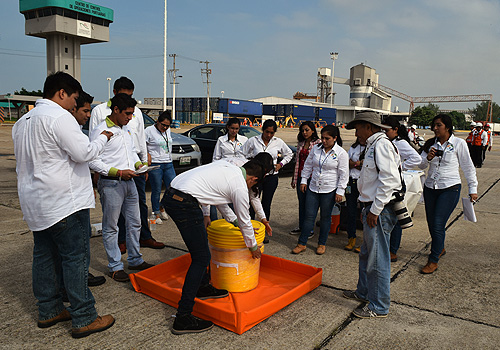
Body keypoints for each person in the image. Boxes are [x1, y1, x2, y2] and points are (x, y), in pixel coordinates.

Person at [12, 72, 115, 338]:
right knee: (75, 258)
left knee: (44, 256)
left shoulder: (22, 122)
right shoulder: (59, 118)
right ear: (61, 93)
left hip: (36, 203)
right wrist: (103, 137)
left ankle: (49, 310)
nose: (74, 105)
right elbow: (84, 153)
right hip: (64, 203)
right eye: (74, 99)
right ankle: (84, 316)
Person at [162, 160, 265, 334]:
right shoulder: (239, 185)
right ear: (253, 179)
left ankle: (202, 286)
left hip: (171, 194)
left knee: (202, 253)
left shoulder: (227, 167)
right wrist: (253, 246)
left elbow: (219, 199)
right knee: (201, 258)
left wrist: (232, 222)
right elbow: (245, 219)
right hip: (185, 203)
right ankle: (183, 317)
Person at [90, 76, 165, 253]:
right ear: (115, 102)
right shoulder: (100, 116)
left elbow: (134, 143)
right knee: (113, 223)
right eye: (127, 114)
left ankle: (137, 253)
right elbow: (93, 152)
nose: (130, 117)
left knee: (137, 216)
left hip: (132, 174)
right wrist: (112, 173)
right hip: (112, 179)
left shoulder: (130, 121)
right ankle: (117, 255)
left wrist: (141, 162)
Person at [89, 93, 155, 282]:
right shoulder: (101, 131)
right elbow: (93, 161)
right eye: (127, 113)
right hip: (111, 183)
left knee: (135, 223)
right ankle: (115, 266)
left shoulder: (125, 129)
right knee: (111, 226)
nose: (130, 118)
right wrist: (117, 172)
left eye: (132, 114)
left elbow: (131, 153)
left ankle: (135, 259)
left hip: (130, 182)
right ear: (115, 110)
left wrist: (139, 166)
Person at [342, 111, 402, 319]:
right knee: (367, 255)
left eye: (358, 127)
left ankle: (379, 306)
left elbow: (390, 181)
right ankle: (364, 292)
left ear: (368, 127)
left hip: (379, 210)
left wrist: (375, 210)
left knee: (377, 260)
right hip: (371, 208)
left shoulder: (381, 145)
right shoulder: (372, 146)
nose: (356, 132)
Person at [418, 114, 478, 274]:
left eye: (438, 125)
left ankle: (433, 259)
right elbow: (420, 164)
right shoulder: (431, 144)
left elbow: (468, 167)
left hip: (450, 188)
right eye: (434, 125)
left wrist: (473, 188)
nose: (435, 128)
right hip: (431, 187)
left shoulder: (459, 144)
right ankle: (440, 247)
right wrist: (428, 158)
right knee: (432, 224)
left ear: (447, 127)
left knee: (438, 223)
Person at [292, 125, 348, 255]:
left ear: (334, 138)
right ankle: (302, 243)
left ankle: (322, 243)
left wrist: (340, 191)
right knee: (309, 216)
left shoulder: (340, 153)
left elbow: (343, 174)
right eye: (322, 138)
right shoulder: (316, 149)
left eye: (327, 138)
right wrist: (304, 180)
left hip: (329, 190)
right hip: (313, 187)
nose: (323, 141)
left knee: (325, 217)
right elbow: (308, 165)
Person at [70, 90, 107, 287]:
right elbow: (86, 155)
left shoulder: (29, 122)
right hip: (70, 200)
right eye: (85, 110)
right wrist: (103, 139)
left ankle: (76, 280)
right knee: (76, 248)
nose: (88, 114)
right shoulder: (65, 126)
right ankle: (80, 298)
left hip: (72, 195)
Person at [241, 119, 293, 242]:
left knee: (266, 204)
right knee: (251, 202)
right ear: (262, 130)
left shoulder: (278, 142)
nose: (269, 135)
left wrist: (281, 164)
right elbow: (241, 153)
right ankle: (251, 230)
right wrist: (250, 163)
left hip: (271, 177)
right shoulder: (253, 141)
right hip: (256, 177)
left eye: (271, 133)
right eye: (266, 132)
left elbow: (289, 154)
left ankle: (263, 231)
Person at [383, 116, 422, 262]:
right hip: (387, 182)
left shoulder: (400, 143)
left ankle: (393, 250)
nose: (384, 132)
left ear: (395, 130)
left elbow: (416, 159)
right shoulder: (387, 142)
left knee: (396, 216)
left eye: (387, 130)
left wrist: (400, 168)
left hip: (397, 183)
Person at [290, 121, 321, 236]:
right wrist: (294, 178)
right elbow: (297, 161)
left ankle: (309, 229)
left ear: (313, 130)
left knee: (310, 204)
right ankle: (301, 226)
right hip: (300, 177)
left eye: (307, 130)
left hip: (312, 178)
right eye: (302, 130)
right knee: (302, 203)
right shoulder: (301, 143)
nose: (304, 132)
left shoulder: (319, 143)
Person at [145, 110, 176, 224]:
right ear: (157, 122)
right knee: (157, 189)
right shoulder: (148, 131)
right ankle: (156, 212)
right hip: (156, 164)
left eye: (167, 126)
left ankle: (162, 206)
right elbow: (142, 145)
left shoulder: (168, 131)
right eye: (163, 125)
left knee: (172, 188)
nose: (165, 128)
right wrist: (147, 156)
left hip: (168, 163)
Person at [344, 137, 365, 251]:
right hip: (350, 183)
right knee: (350, 210)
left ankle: (365, 241)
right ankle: (351, 237)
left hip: (363, 184)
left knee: (364, 211)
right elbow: (346, 163)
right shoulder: (353, 147)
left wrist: (355, 164)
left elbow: (368, 166)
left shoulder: (371, 149)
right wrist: (358, 164)